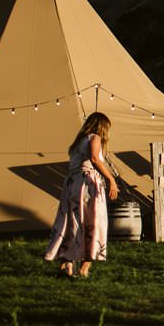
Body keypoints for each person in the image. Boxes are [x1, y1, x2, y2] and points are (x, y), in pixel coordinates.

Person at [45, 111, 119, 278]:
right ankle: (84, 267)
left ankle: (67, 264)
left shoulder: (78, 142)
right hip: (87, 184)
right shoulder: (95, 138)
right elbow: (94, 158)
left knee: (73, 222)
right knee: (93, 222)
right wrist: (111, 179)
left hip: (72, 183)